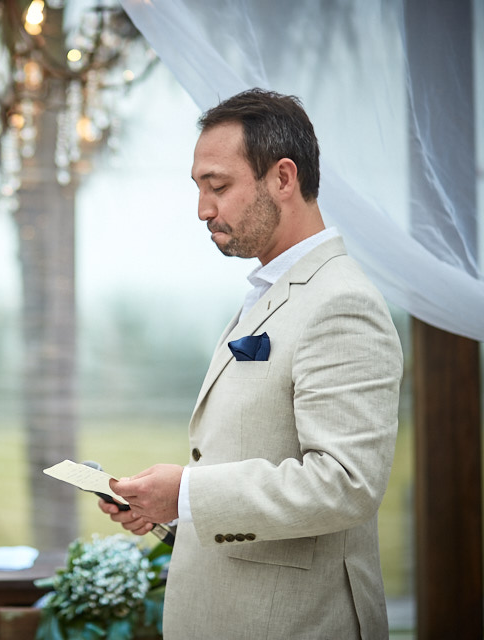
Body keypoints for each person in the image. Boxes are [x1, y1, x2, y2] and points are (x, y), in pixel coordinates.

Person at [99, 89, 403, 639]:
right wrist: (173, 509)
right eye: (198, 189)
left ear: (283, 178)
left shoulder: (340, 302)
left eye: (218, 186)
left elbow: (346, 484)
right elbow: (249, 456)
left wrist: (188, 491)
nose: (203, 209)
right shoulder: (270, 292)